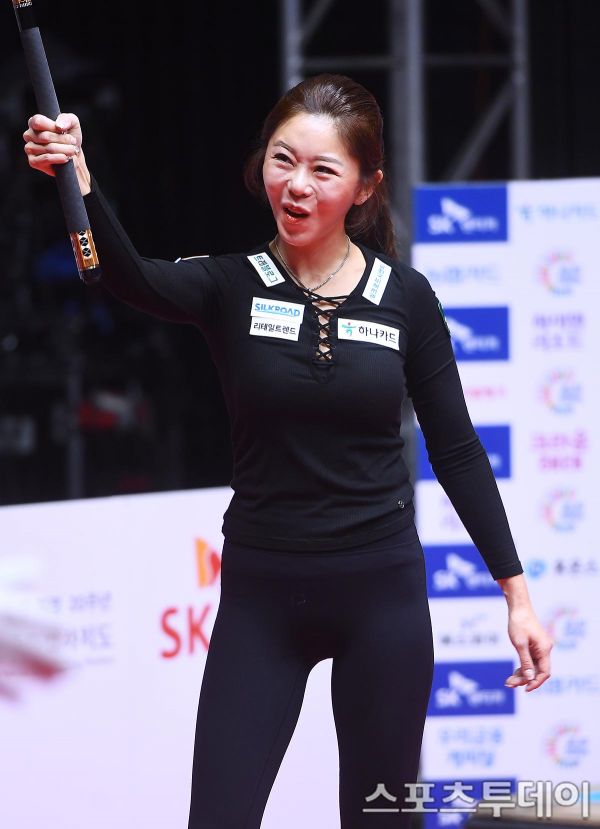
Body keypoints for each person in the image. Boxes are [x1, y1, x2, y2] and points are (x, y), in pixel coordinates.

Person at [22, 74, 553, 829]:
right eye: (282, 160)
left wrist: (516, 595)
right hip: (262, 600)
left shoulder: (407, 298)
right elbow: (126, 276)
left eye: (322, 169)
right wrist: (77, 174)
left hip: (382, 599)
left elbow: (458, 449)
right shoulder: (231, 285)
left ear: (365, 187)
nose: (296, 185)